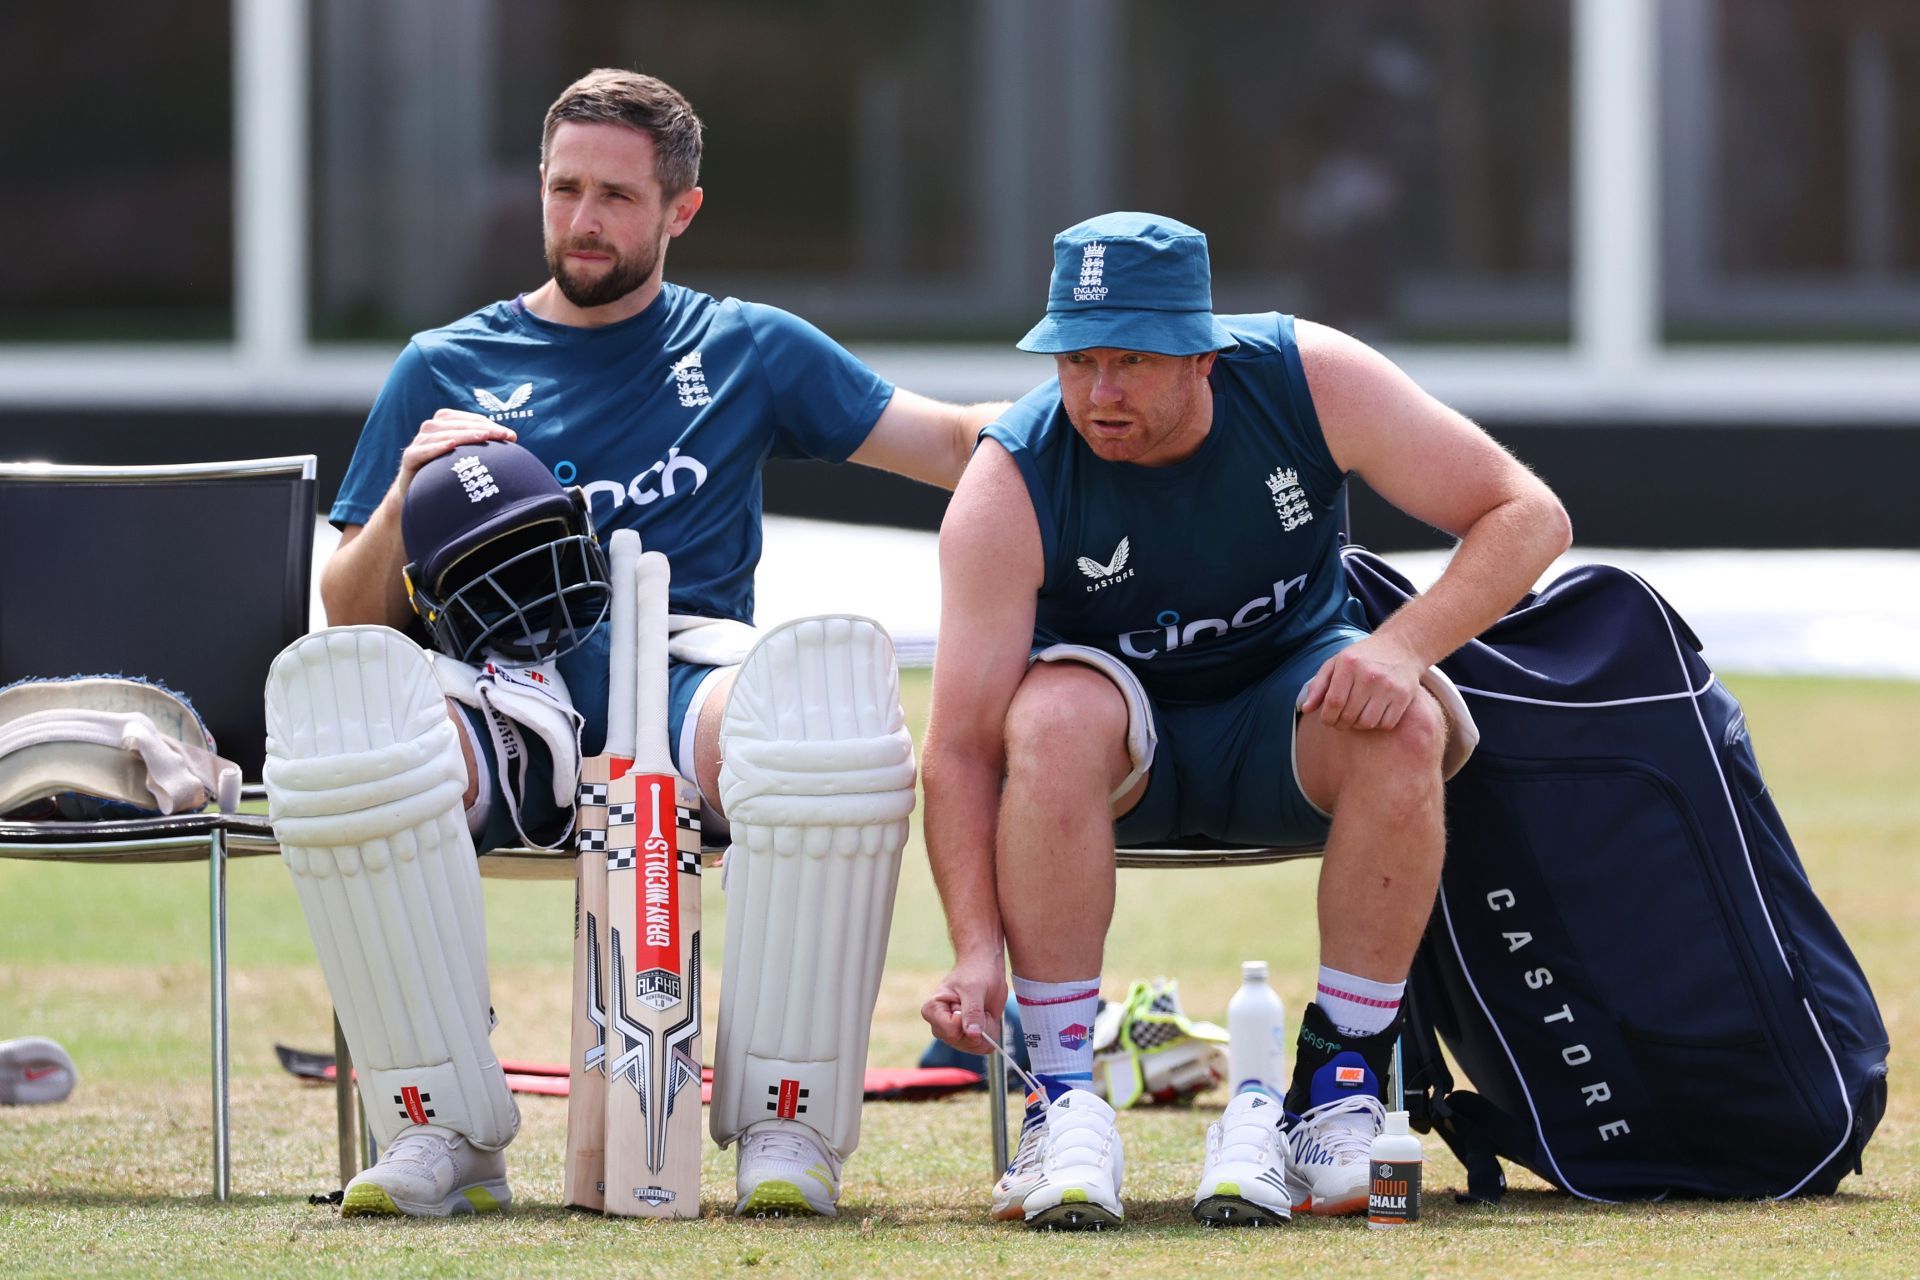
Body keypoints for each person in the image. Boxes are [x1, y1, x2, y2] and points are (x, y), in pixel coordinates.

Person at [269, 68, 1006, 1220]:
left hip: (687, 684)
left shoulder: (748, 346)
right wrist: (413, 491)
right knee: (343, 710)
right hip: (509, 701)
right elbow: (354, 609)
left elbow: (961, 446)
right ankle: (441, 1126)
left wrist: (1120, 397)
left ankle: (788, 1122)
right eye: (564, 188)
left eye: (616, 194)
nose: (584, 219)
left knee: (824, 704)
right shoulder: (444, 362)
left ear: (680, 209)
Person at [920, 212, 1570, 1229]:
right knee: (1047, 713)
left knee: (1404, 721)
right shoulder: (1010, 480)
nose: (1100, 392)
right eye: (1077, 359)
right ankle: (1063, 1096)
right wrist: (969, 949)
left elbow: (1528, 513)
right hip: (1111, 765)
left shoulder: (1310, 378)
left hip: (1284, 723)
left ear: (1204, 351)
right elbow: (958, 748)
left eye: (1130, 358)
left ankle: (1339, 1082)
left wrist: (1400, 646)